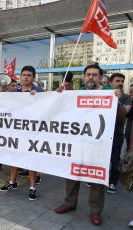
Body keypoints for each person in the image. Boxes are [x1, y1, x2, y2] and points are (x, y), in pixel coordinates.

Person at [54, 64, 106, 225]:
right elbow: (60, 110)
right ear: (84, 77)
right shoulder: (76, 94)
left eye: (94, 75)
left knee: (97, 178)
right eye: (88, 74)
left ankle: (95, 211)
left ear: (100, 77)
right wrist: (58, 96)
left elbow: (121, 117)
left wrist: (116, 103)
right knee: (73, 172)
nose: (91, 77)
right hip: (77, 141)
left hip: (99, 144)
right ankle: (70, 203)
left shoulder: (109, 94)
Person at [0, 66, 43, 200]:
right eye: (23, 75)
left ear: (33, 77)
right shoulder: (16, 91)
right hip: (16, 130)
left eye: (29, 75)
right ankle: (12, 182)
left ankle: (32, 187)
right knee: (13, 157)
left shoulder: (39, 91)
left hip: (31, 132)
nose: (26, 77)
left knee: (30, 160)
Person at [103, 73, 131, 194]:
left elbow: (125, 112)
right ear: (110, 83)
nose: (120, 83)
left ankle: (112, 182)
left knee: (115, 159)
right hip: (101, 133)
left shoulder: (125, 97)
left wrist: (118, 100)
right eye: (117, 81)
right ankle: (96, 179)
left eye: (121, 81)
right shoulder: (102, 94)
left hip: (116, 133)